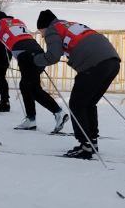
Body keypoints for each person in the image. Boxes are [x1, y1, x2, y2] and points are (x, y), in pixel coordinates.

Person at [33, 10, 120, 159]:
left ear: (44, 27)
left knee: (77, 105)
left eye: (41, 32)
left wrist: (37, 60)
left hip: (94, 64)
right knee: (88, 104)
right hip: (112, 61)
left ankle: (85, 147)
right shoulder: (69, 25)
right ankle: (92, 142)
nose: (42, 36)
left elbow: (53, 55)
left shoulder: (52, 30)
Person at [0, 11, 68, 133]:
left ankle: (58, 113)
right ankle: (31, 119)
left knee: (32, 88)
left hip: (26, 56)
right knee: (27, 86)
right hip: (38, 53)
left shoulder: (0, 23)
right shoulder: (18, 21)